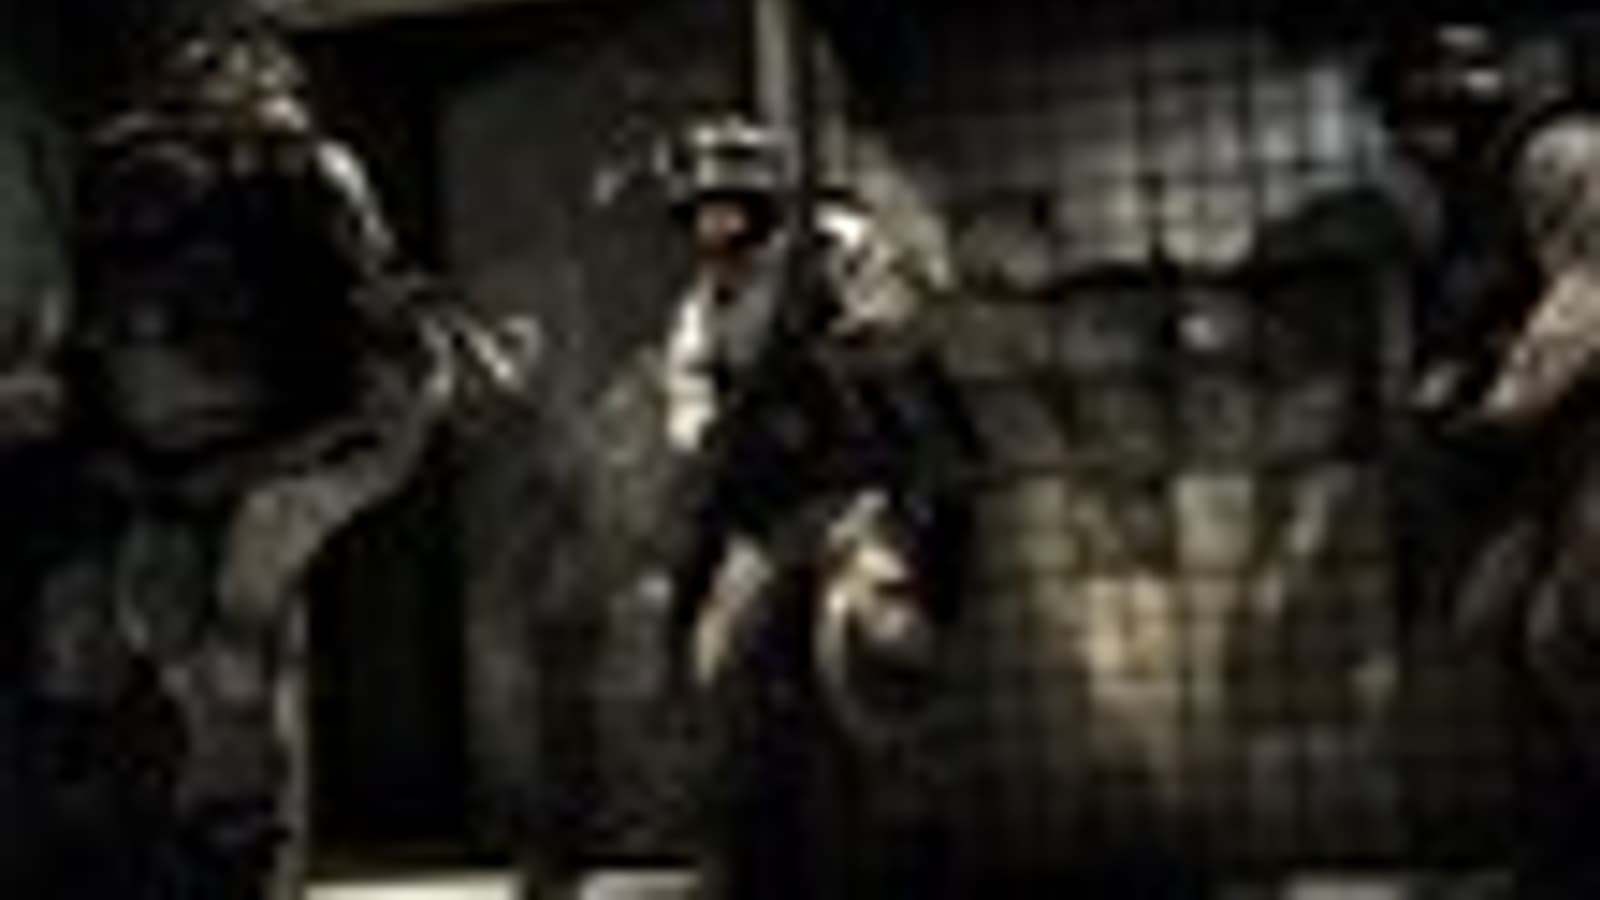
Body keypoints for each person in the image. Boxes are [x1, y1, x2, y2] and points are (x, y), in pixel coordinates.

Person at [0, 26, 483, 898]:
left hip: (299, 444)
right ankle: (209, 829)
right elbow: (81, 320)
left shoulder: (303, 176)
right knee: (166, 628)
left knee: (232, 633)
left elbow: (374, 320)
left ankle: (234, 834)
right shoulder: (124, 180)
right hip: (176, 460)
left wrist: (377, 374)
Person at [657, 114, 978, 899]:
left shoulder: (832, 252)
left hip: (858, 499)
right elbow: (691, 414)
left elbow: (903, 324)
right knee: (718, 670)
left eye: (730, 204)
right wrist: (714, 440)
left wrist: (842, 340)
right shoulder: (702, 310)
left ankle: (915, 854)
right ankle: (743, 860)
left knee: (876, 653)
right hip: (767, 519)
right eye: (702, 210)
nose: (715, 224)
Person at [1369, 21, 1600, 892]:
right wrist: (1455, 383)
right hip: (1554, 451)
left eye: (1412, 120)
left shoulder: (1562, 154)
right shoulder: (1478, 204)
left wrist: (1500, 405)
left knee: (1571, 636)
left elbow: (1591, 290)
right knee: (1526, 636)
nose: (1408, 146)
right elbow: (1487, 315)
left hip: (1578, 432)